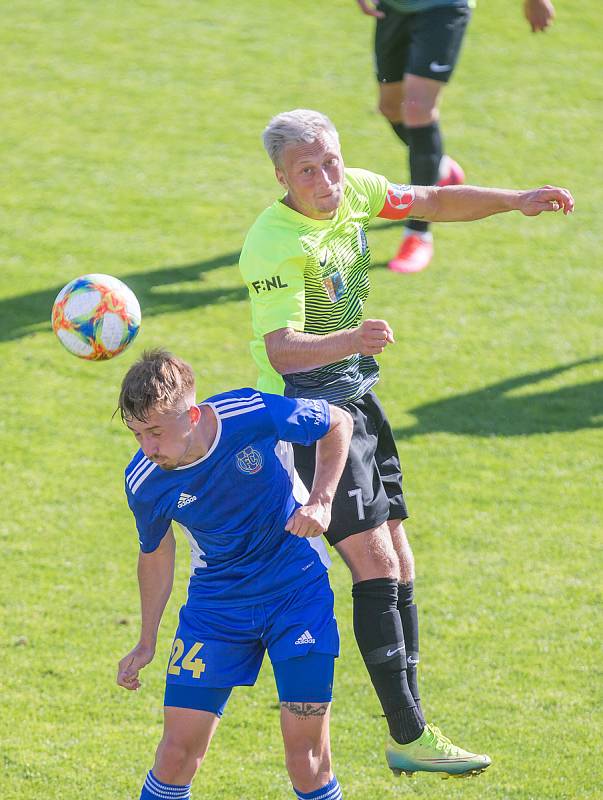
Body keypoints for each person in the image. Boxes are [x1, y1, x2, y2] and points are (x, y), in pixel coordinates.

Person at [238, 108, 573, 777]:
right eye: (308, 170)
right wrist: (350, 340)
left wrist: (515, 201)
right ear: (280, 176)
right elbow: (283, 350)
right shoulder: (271, 243)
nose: (327, 179)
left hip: (359, 399)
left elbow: (430, 199)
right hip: (309, 415)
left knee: (400, 559)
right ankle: (408, 734)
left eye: (330, 162)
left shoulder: (355, 190)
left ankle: (414, 728)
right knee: (376, 566)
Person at [116, 348, 353, 800]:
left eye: (156, 432)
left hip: (296, 592)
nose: (149, 448)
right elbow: (156, 552)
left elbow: (337, 421)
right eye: (138, 435)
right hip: (217, 608)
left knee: (307, 761)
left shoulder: (251, 413)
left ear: (192, 414)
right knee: (174, 756)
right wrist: (146, 640)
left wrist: (321, 500)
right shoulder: (146, 480)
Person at [355, 0, 557, 274]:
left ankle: (417, 233)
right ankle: (439, 167)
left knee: (417, 108)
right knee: (390, 107)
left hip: (442, 7)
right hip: (394, 7)